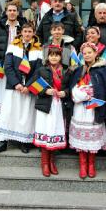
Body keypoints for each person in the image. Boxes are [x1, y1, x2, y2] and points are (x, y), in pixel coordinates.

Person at [0, 22, 43, 155]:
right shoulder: (13, 46)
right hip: (14, 87)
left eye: (30, 31)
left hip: (29, 89)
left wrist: (28, 86)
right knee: (8, 113)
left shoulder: (38, 49)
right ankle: (3, 141)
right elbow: (8, 67)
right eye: (25, 31)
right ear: (21, 33)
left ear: (33, 33)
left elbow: (39, 70)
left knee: (26, 115)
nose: (27, 34)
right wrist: (17, 84)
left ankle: (24, 141)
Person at [68, 42, 106, 179]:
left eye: (90, 52)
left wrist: (96, 96)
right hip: (80, 108)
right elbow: (72, 88)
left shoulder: (102, 70)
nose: (87, 55)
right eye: (85, 53)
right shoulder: (78, 70)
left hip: (94, 109)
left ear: (95, 53)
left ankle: (91, 164)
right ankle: (82, 164)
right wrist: (80, 94)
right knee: (81, 137)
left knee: (92, 138)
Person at [30, 45, 70, 176]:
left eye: (56, 55)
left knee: (54, 132)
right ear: (48, 56)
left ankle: (52, 162)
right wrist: (45, 90)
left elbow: (70, 87)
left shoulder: (65, 71)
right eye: (51, 55)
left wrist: (65, 93)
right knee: (46, 132)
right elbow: (32, 85)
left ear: (60, 57)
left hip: (59, 107)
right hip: (45, 106)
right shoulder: (42, 70)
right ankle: (45, 164)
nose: (54, 57)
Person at [0, 2, 22, 134]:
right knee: (1, 94)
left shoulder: (23, 27)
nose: (12, 12)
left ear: (18, 12)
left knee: (15, 95)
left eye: (14, 10)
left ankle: (14, 122)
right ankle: (0, 121)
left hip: (18, 67)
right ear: (6, 12)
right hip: (2, 64)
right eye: (9, 10)